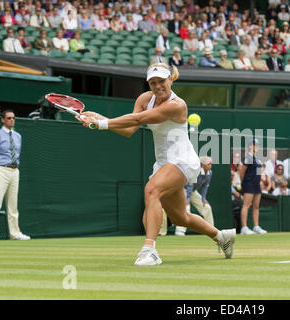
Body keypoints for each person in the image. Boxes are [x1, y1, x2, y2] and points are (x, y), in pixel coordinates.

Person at [77, 63, 236, 265]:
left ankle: (149, 250)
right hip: (163, 163)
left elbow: (140, 118)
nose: (157, 86)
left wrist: (100, 123)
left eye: (161, 81)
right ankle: (223, 238)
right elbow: (129, 129)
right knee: (180, 218)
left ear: (170, 79)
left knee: (151, 190)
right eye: (153, 82)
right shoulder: (145, 99)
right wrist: (100, 119)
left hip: (182, 160)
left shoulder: (177, 105)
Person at [0, 110, 31, 241]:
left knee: (13, 205)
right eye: (9, 118)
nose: (12, 120)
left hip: (14, 171)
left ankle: (15, 234)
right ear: (3, 120)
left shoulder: (17, 136)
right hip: (0, 170)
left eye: (13, 118)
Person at [175, 156, 215, 236]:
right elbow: (189, 186)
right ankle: (180, 231)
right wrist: (187, 200)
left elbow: (205, 186)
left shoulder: (209, 173)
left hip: (193, 191)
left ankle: (211, 230)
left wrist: (203, 199)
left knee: (207, 207)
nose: (210, 165)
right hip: (183, 189)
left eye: (211, 164)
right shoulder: (195, 171)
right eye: (208, 164)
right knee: (186, 208)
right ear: (202, 165)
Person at [238, 139, 267, 235]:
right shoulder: (248, 158)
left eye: (257, 145)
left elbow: (259, 171)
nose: (256, 147)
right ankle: (244, 228)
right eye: (254, 145)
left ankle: (256, 226)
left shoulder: (258, 159)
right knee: (246, 205)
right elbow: (242, 172)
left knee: (256, 206)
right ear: (250, 146)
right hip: (248, 184)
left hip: (256, 185)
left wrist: (260, 181)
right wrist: (245, 182)